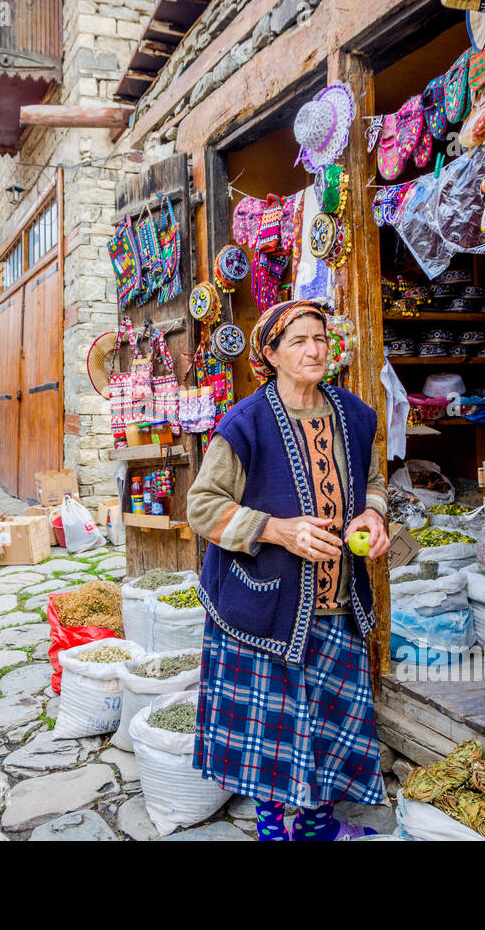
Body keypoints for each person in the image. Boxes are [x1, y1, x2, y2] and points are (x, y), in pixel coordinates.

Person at [186, 300, 391, 842]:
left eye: (320, 338)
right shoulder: (245, 424)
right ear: (271, 354)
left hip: (338, 605)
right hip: (265, 607)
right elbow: (202, 506)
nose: (314, 349)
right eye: (298, 340)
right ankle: (273, 831)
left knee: (327, 728)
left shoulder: (356, 415)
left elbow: (374, 483)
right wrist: (277, 530)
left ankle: (319, 828)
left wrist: (372, 513)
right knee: (274, 734)